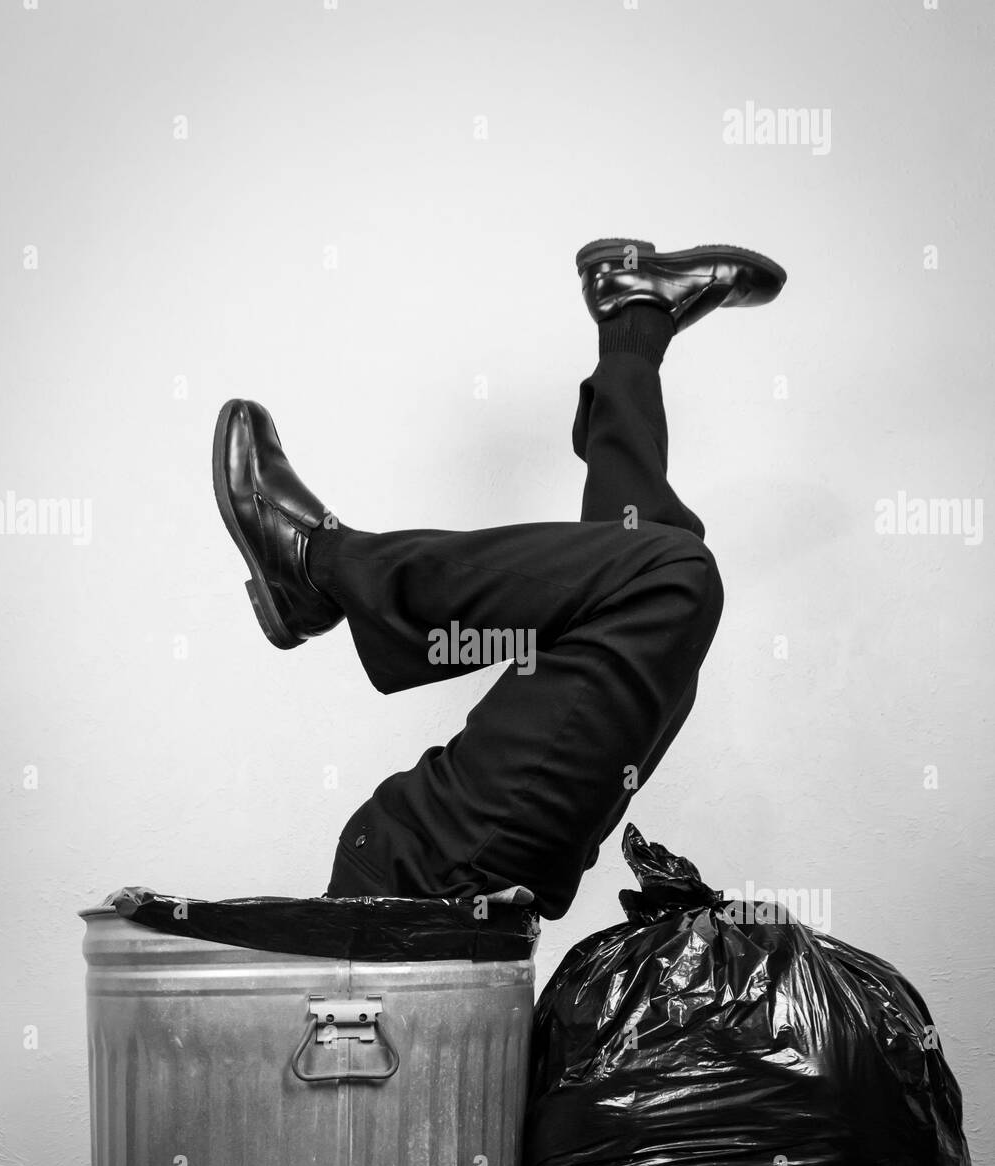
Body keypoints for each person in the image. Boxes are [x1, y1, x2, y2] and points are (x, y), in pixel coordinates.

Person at [212, 239, 786, 920]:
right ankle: (634, 321)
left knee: (663, 579)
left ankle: (319, 562)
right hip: (449, 871)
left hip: (432, 871)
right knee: (663, 570)